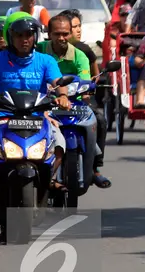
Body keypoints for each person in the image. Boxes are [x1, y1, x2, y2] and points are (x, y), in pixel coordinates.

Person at [0, 12, 72, 191]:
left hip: (38, 116)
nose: (24, 40)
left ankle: (48, 179)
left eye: (28, 35)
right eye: (18, 35)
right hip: (1, 116)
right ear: (9, 37)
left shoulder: (46, 61)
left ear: (35, 36)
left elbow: (58, 83)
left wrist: (63, 96)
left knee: (59, 143)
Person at [35, 14, 112, 189]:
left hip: (72, 102)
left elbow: (85, 81)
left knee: (99, 119)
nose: (61, 38)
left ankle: (95, 167)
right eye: (56, 34)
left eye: (65, 33)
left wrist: (86, 91)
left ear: (71, 33)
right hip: (42, 102)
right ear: (49, 33)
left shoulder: (80, 56)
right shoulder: (38, 51)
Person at [58, 9, 100, 78]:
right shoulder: (48, 49)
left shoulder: (84, 49)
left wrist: (87, 79)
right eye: (74, 27)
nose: (79, 30)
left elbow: (94, 73)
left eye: (79, 26)